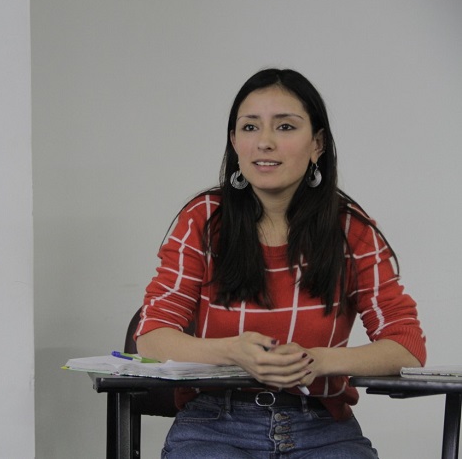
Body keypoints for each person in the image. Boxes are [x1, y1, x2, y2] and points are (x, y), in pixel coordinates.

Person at [135, 68, 426, 458]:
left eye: (285, 127)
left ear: (317, 144)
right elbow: (152, 336)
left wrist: (319, 360)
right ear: (235, 141)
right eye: (250, 127)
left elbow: (405, 345)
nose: (265, 143)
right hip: (214, 425)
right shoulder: (203, 220)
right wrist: (234, 352)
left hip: (322, 426)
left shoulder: (350, 229)